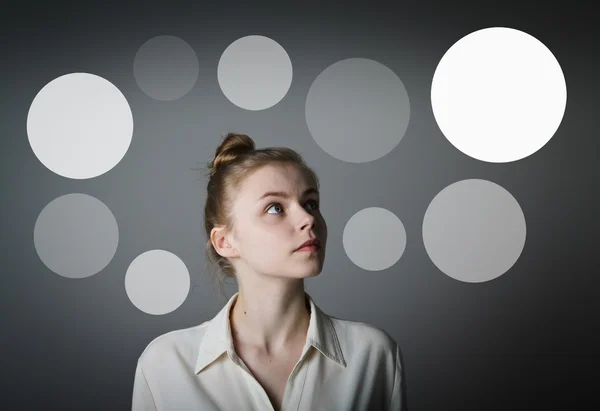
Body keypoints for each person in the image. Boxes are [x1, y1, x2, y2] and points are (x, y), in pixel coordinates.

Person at [131, 133, 406, 411]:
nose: (308, 219)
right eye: (275, 208)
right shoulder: (165, 365)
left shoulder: (373, 354)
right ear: (225, 242)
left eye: (310, 203)